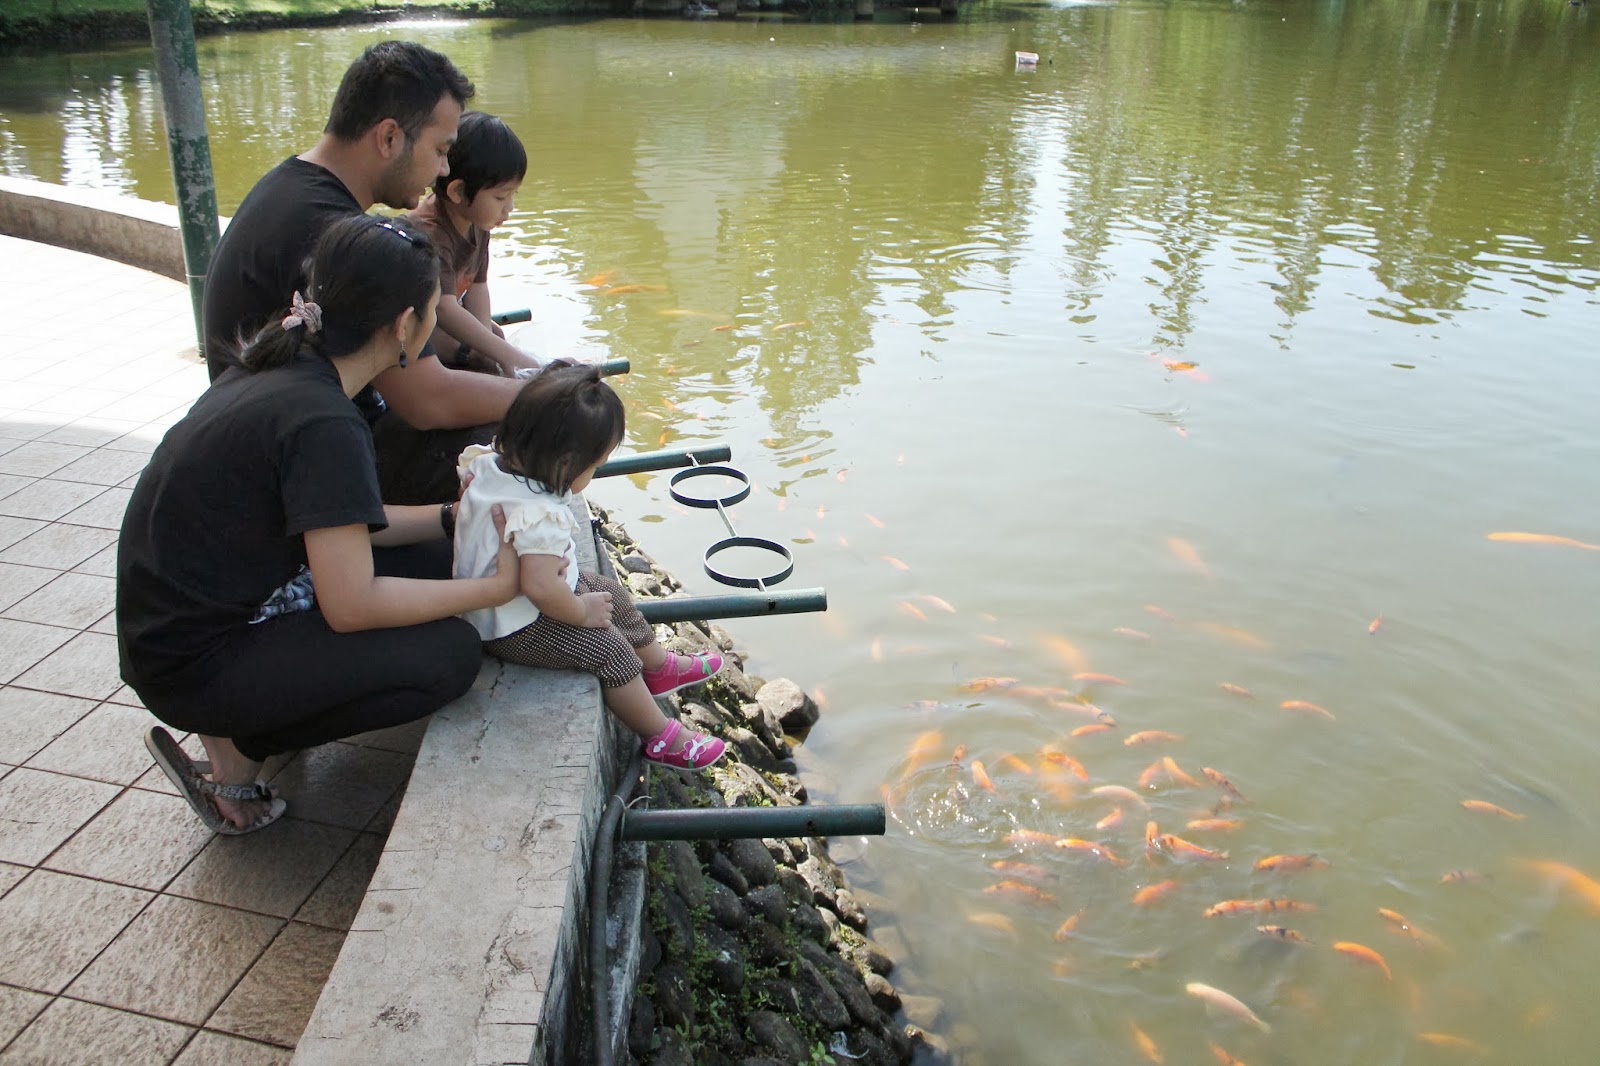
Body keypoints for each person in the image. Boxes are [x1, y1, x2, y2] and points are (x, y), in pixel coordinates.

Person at [120, 215, 522, 834]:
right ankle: (242, 744)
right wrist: (494, 589)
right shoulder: (324, 420)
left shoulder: (288, 367)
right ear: (404, 325)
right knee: (449, 655)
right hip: (196, 661)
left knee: (448, 559)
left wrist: (451, 517)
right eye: (433, 310)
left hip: (192, 617)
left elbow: (341, 521)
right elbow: (352, 605)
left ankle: (251, 716)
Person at [201, 40, 528, 507]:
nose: (443, 169)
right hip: (279, 475)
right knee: (511, 442)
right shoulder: (330, 231)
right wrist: (541, 393)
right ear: (389, 137)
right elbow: (427, 400)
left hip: (280, 436)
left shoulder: (295, 187)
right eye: (440, 150)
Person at [453, 365, 728, 771]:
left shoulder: (492, 464)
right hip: (512, 625)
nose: (593, 473)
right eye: (595, 466)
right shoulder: (537, 512)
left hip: (514, 600)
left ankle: (656, 666)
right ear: (566, 462)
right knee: (608, 648)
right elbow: (540, 587)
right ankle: (661, 737)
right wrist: (581, 613)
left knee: (607, 589)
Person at [405, 110, 540, 378]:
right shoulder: (429, 233)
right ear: (458, 191)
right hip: (417, 338)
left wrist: (490, 346)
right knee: (493, 352)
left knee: (493, 337)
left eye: (513, 195)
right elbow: (444, 308)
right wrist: (511, 357)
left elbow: (478, 286)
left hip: (444, 323)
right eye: (501, 197)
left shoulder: (477, 221)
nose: (509, 208)